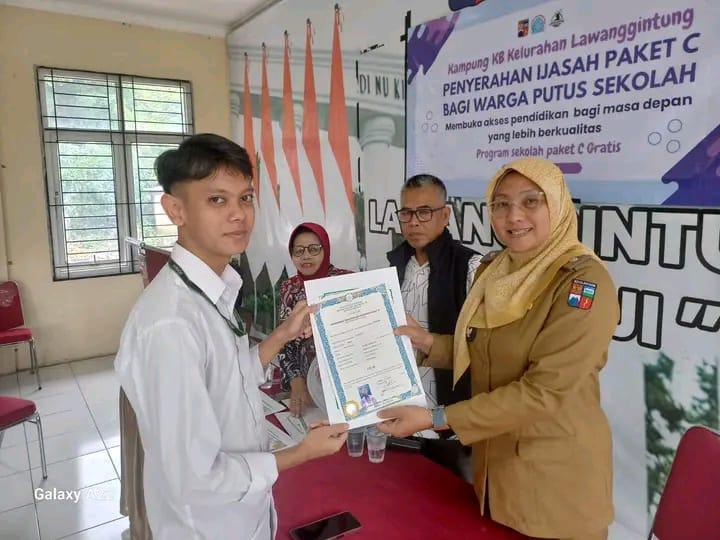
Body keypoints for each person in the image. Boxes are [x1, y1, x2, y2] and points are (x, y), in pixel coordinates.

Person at [115, 134, 348, 540]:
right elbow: (195, 478)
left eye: (246, 198)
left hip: (245, 512)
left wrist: (283, 333)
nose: (239, 214)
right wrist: (301, 453)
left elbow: (229, 377)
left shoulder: (216, 290)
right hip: (208, 527)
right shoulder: (170, 324)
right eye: (217, 200)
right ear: (175, 210)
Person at [378, 158, 618, 540]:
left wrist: (435, 417)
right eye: (501, 204)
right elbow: (483, 351)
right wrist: (428, 343)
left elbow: (544, 392)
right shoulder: (497, 270)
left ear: (557, 203)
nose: (514, 216)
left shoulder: (582, 284)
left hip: (555, 487)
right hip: (494, 475)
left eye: (531, 201)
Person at [386, 174, 481, 476]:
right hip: (400, 417)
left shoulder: (471, 268)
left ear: (445, 214)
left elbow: (484, 351)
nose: (414, 222)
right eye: (406, 213)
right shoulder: (393, 267)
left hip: (448, 424)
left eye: (424, 212)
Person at [278, 222, 352, 417]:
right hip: (306, 390)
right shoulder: (290, 288)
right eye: (299, 251)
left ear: (325, 249)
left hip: (347, 382)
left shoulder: (346, 282)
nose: (306, 256)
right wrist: (297, 382)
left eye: (313, 249)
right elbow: (285, 342)